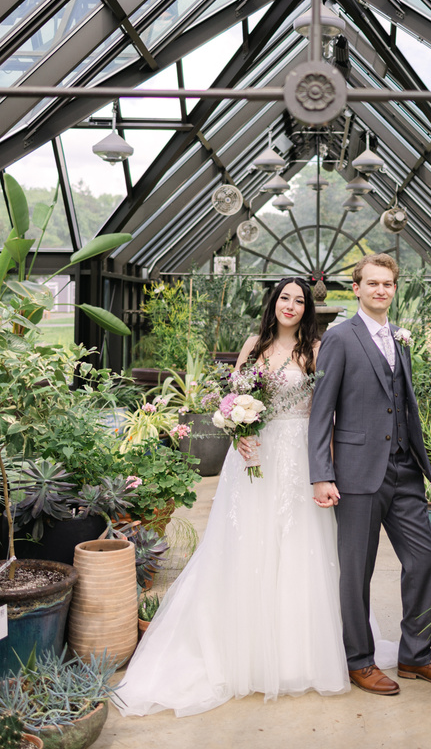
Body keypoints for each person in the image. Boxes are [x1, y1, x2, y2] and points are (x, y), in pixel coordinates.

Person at [118, 277, 349, 717]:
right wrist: (238, 431)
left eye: (300, 301)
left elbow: (328, 410)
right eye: (285, 297)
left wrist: (329, 466)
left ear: (308, 309)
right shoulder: (253, 345)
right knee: (246, 546)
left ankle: (296, 654)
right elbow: (230, 401)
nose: (291, 306)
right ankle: (241, 648)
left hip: (300, 457)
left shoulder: (315, 351)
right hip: (253, 458)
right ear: (274, 302)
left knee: (299, 546)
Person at [308, 253, 431, 696]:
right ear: (355, 288)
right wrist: (322, 474)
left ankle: (415, 655)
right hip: (357, 474)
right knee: (356, 572)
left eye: (388, 284)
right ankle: (359, 660)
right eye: (372, 283)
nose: (381, 290)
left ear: (394, 289)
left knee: (425, 557)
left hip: (404, 469)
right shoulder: (340, 338)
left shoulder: (398, 339)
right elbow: (321, 413)